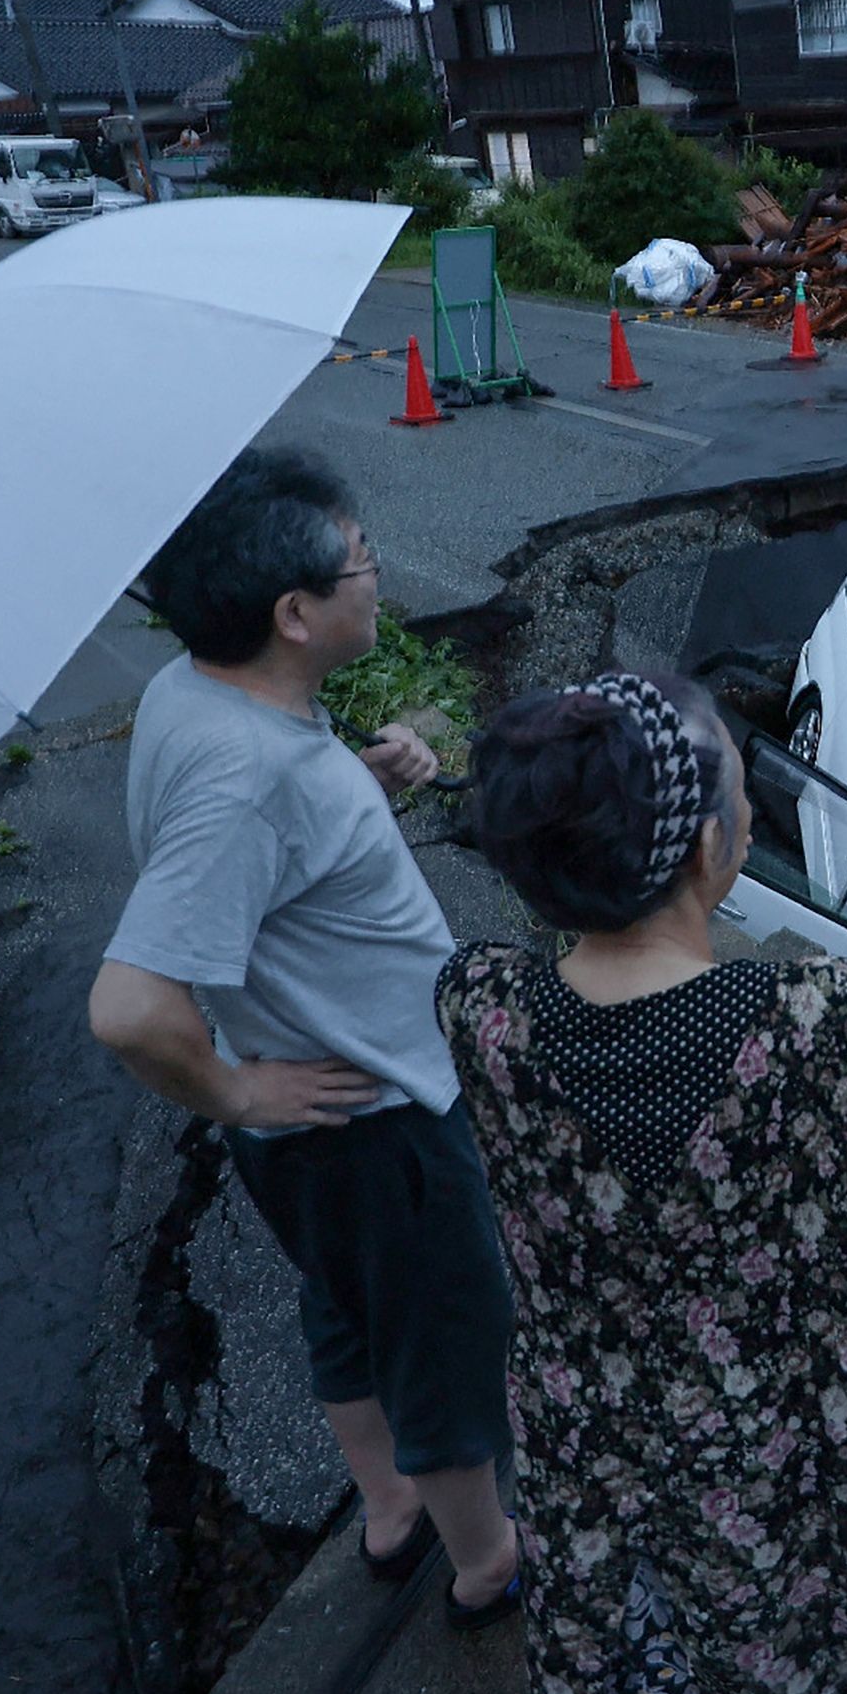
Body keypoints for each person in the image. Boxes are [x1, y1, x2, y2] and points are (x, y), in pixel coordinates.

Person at [438, 669, 847, 1694]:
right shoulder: (816, 1020)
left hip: (600, 1437)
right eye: (738, 799)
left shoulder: (479, 1008)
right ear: (705, 853)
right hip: (825, 1438)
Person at [87, 447, 523, 1626]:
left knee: (345, 1311)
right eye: (362, 561)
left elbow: (261, 847)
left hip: (319, 1126)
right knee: (441, 1336)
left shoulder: (203, 693)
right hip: (370, 1118)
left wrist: (361, 783)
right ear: (295, 613)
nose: (376, 576)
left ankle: (389, 1512)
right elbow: (127, 1006)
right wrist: (234, 1094)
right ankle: (484, 1563)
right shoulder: (252, 772)